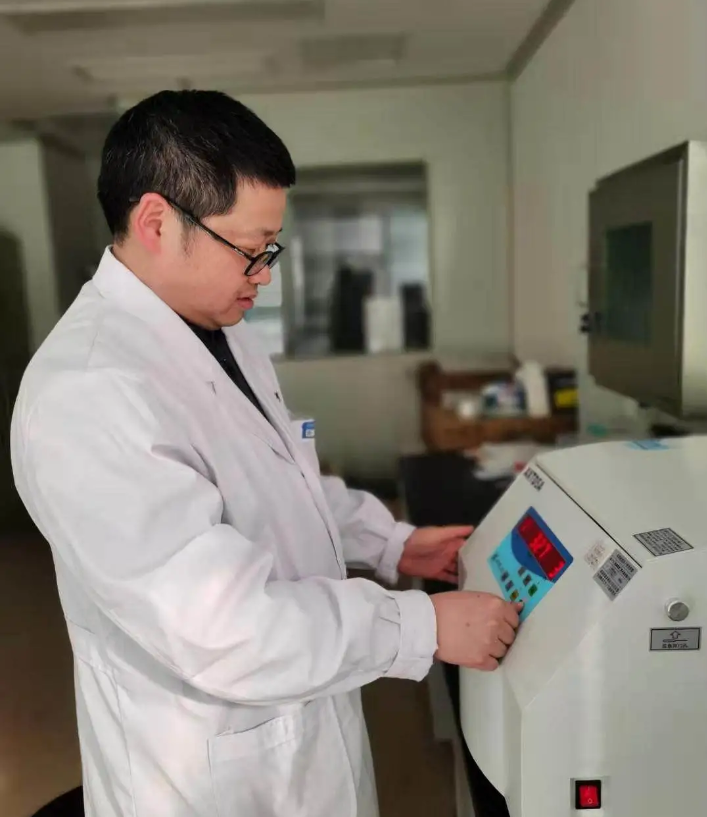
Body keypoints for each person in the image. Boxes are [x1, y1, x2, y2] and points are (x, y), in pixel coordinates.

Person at [11, 90, 521, 817]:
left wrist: (390, 543)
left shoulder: (220, 331)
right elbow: (222, 628)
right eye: (251, 251)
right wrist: (421, 626)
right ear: (156, 222)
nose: (265, 275)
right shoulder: (89, 393)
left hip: (298, 729)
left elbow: (282, 482)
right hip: (206, 774)